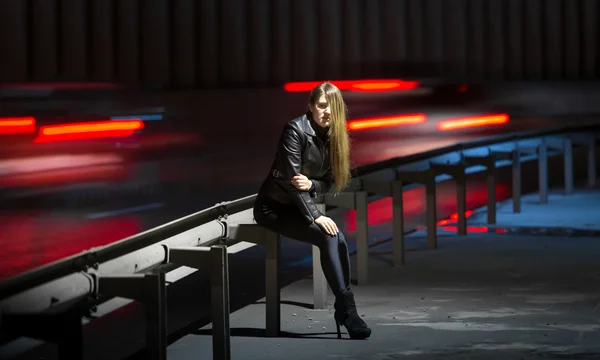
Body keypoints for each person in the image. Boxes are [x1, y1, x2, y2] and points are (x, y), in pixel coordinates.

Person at [253, 82, 371, 340]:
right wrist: (317, 216)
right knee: (329, 234)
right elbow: (292, 183)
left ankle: (345, 307)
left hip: (299, 206)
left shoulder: (335, 133)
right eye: (321, 105)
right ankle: (347, 311)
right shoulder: (295, 130)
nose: (327, 111)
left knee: (336, 237)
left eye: (333, 106)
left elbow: (330, 180)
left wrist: (313, 184)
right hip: (273, 206)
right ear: (310, 106)